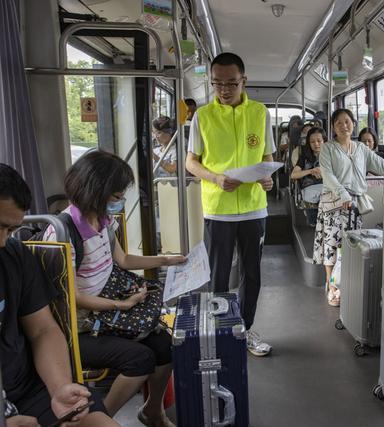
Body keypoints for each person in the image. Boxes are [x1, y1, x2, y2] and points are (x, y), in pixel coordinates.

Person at [43, 151, 184, 426]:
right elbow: (72, 298)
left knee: (166, 345)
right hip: (79, 327)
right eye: (117, 196)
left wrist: (166, 259)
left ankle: (152, 411)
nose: (120, 202)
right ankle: (99, 419)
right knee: (140, 359)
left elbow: (123, 260)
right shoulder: (62, 233)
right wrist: (124, 305)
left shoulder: (103, 222)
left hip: (105, 313)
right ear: (97, 192)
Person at [0, 163, 118, 427]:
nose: (2, 241)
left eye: (10, 230)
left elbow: (42, 329)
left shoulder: (15, 256)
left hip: (29, 389)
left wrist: (60, 388)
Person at [185, 52, 275, 357]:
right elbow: (191, 163)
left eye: (231, 83)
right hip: (218, 209)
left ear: (244, 81)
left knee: (252, 274)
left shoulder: (260, 113)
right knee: (218, 276)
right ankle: (222, 332)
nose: (224, 89)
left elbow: (266, 156)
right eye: (217, 84)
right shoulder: (203, 116)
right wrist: (215, 178)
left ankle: (245, 330)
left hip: (253, 207)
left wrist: (268, 178)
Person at [312, 109, 384, 306]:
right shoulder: (328, 148)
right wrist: (342, 194)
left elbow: (381, 164)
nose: (344, 126)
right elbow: (328, 174)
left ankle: (346, 284)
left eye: (347, 121)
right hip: (334, 203)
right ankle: (332, 286)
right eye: (339, 123)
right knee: (332, 246)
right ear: (333, 128)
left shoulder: (361, 148)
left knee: (351, 246)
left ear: (353, 123)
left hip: (355, 204)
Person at [290, 127, 326, 227]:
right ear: (309, 143)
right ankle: (314, 221)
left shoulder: (330, 156)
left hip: (327, 186)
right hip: (310, 187)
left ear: (324, 141)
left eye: (319, 141)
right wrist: (310, 171)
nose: (316, 144)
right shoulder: (304, 157)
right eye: (312, 142)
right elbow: (294, 175)